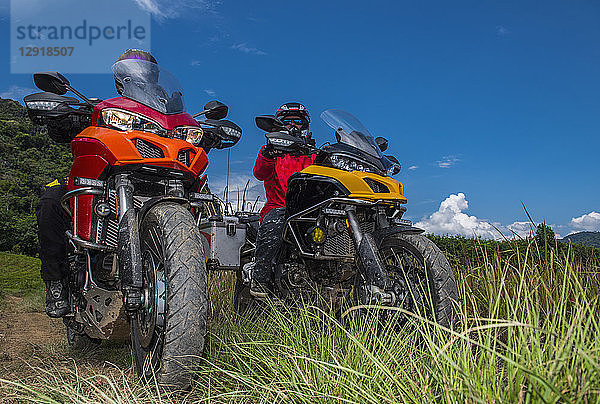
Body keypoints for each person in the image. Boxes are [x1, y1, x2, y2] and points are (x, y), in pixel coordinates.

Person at [37, 49, 158, 318]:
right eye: (133, 70)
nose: (140, 75)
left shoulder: (164, 114)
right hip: (105, 180)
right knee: (51, 200)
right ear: (120, 77)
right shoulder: (104, 109)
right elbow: (63, 131)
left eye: (146, 69)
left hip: (155, 180)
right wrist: (66, 115)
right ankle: (57, 283)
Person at [250, 102, 317, 298]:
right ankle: (259, 279)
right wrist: (269, 152)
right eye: (287, 122)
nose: (293, 126)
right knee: (278, 219)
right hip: (279, 207)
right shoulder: (272, 151)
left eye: (297, 122)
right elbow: (259, 173)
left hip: (310, 212)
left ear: (305, 126)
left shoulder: (314, 153)